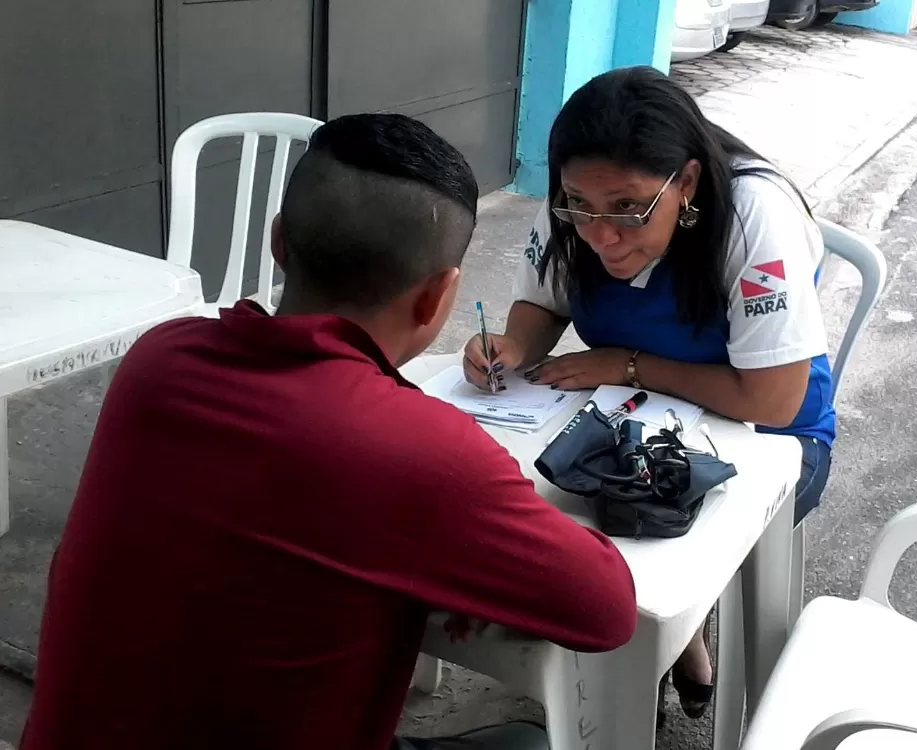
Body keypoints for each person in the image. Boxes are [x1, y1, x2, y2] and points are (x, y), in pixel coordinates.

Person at [21, 113, 638, 750]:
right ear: (438, 297)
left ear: (279, 241)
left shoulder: (159, 359)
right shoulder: (420, 452)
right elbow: (605, 609)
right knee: (531, 742)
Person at [462, 66, 834, 724]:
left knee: (630, 537)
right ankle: (656, 659)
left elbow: (773, 400)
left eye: (629, 209)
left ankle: (643, 672)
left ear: (684, 183)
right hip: (634, 419)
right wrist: (513, 346)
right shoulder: (581, 202)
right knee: (537, 503)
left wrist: (627, 365)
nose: (601, 233)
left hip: (769, 443)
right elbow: (541, 304)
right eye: (578, 204)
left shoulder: (753, 213)